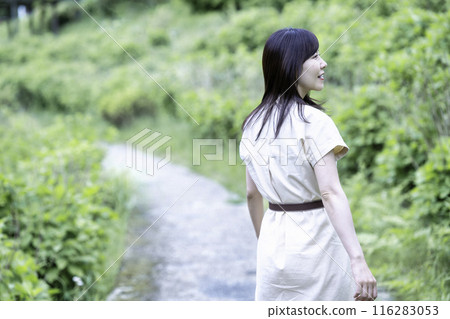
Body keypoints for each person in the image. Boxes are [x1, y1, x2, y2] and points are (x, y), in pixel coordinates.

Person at [239, 28, 377, 301]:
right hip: (318, 243)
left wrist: (263, 241)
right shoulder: (314, 122)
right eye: (314, 56)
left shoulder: (252, 124)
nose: (323, 63)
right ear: (292, 66)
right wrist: (357, 259)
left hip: (273, 243)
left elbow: (252, 194)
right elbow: (330, 193)